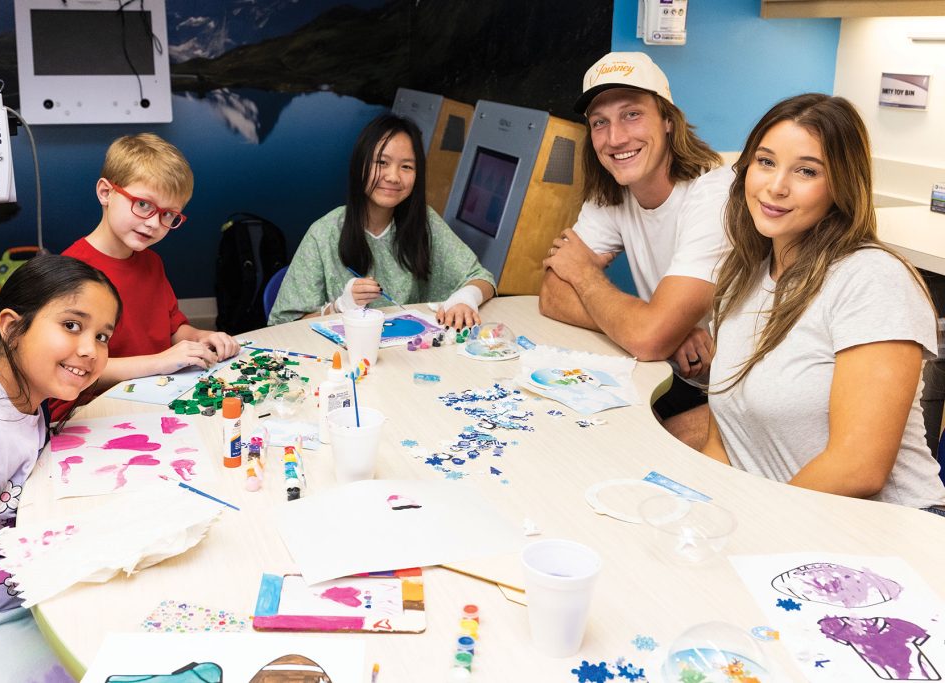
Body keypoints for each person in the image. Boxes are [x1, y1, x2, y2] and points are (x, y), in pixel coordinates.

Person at [703, 93, 945, 511]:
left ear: (840, 185)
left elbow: (859, 467)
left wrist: (750, 526)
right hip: (789, 524)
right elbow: (721, 442)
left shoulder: (871, 279)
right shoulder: (740, 278)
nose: (776, 186)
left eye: (806, 171)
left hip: (886, 534)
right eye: (765, 162)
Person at [0, 254, 121, 680]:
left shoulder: (17, 392)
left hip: (10, 592)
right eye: (71, 325)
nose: (90, 349)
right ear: (12, 327)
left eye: (103, 336)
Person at [539, 51, 732, 448]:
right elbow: (552, 294)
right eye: (600, 123)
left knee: (634, 450)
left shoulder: (713, 194)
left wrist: (650, 328)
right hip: (675, 371)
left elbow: (645, 338)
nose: (615, 138)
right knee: (568, 433)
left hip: (741, 394)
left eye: (632, 114)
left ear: (667, 120)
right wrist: (660, 328)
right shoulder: (613, 189)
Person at [51, 133, 240, 421]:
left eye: (169, 215)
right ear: (105, 193)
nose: (154, 223)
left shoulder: (152, 263)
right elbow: (76, 368)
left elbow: (173, 327)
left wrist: (202, 337)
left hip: (154, 394)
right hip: (90, 410)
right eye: (143, 204)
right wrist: (158, 363)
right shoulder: (73, 274)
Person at [268, 113, 496, 328]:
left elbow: (481, 277)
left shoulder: (424, 222)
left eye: (406, 166)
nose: (393, 177)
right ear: (360, 165)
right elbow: (282, 326)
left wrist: (466, 298)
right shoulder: (324, 233)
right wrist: (339, 307)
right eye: (382, 163)